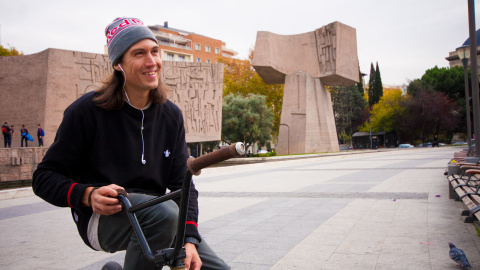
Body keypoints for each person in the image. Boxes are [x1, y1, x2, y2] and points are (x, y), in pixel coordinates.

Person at [32, 17, 229, 270]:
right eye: (139, 53)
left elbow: (184, 184)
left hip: (161, 217)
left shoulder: (171, 115)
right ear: (118, 64)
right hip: (102, 219)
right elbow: (43, 177)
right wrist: (87, 195)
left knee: (217, 268)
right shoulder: (86, 112)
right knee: (165, 216)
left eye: (155, 51)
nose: (152, 62)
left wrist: (189, 239)